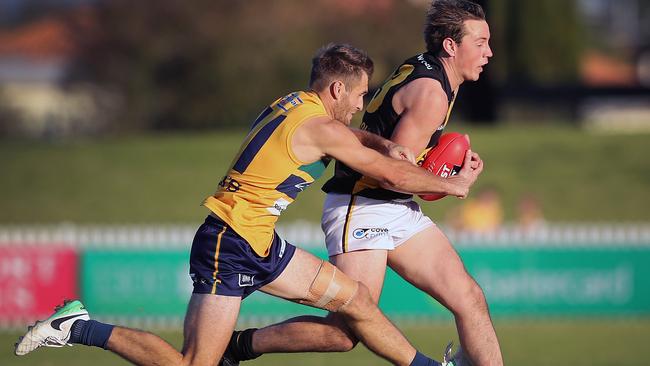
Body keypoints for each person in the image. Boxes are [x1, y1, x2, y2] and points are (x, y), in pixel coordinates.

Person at [15, 43, 483, 366]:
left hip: (258, 240)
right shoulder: (322, 128)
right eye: (360, 95)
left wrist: (381, 146)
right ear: (338, 90)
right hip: (229, 242)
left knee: (356, 301)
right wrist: (452, 184)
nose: (363, 105)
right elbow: (385, 172)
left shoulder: (294, 104)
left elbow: (350, 138)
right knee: (193, 363)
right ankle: (77, 327)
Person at [221, 1, 503, 366]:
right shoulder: (432, 93)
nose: (489, 52)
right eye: (480, 42)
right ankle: (238, 346)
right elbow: (391, 171)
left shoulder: (429, 69)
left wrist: (440, 166)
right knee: (345, 332)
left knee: (470, 298)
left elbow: (402, 161)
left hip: (393, 206)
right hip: (363, 207)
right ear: (451, 46)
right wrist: (453, 181)